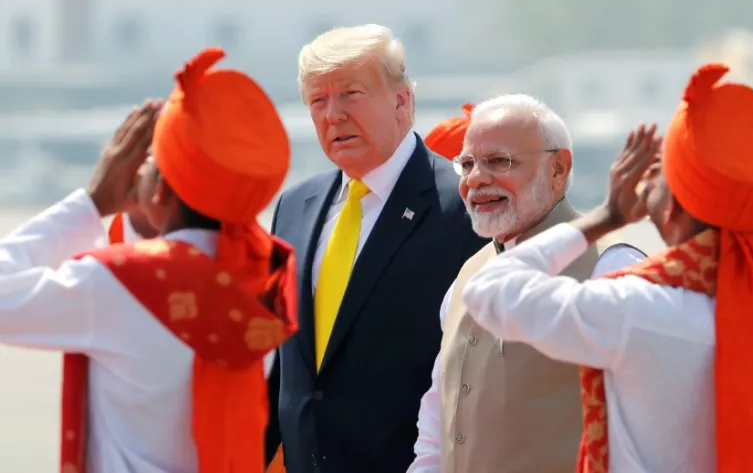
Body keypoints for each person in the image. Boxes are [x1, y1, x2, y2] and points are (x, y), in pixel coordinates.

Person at [0, 47, 297, 473]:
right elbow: (188, 261)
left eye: (151, 163)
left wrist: (91, 203)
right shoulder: (267, 276)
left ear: (159, 192)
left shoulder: (114, 287)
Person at [461, 64, 753, 472]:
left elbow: (490, 293)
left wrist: (605, 216)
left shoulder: (636, 310)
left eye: (659, 175)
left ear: (672, 208)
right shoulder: (752, 303)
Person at [266, 24, 488, 473]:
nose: (333, 115)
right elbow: (286, 367)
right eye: (318, 100)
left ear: (402, 101)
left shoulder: (465, 209)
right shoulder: (294, 207)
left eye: (351, 94)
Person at [407, 94, 645, 473]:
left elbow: (651, 428)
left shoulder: (611, 265)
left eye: (500, 162)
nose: (476, 179)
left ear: (558, 169)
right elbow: (437, 425)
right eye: (467, 164)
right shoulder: (467, 275)